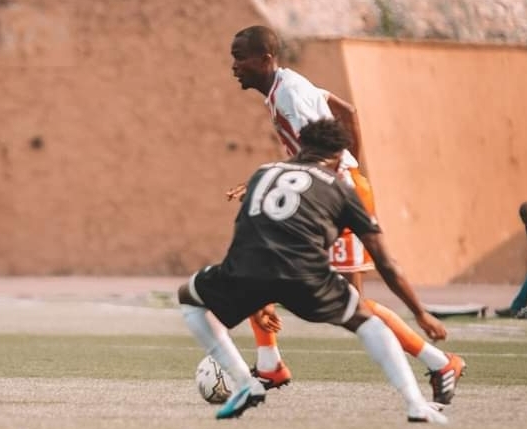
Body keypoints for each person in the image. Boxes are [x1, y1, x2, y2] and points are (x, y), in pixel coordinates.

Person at [227, 24, 465, 404]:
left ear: (265, 58)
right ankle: (269, 363)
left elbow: (323, 155)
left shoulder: (290, 96)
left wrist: (342, 178)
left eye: (240, 58)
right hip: (330, 188)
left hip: (333, 195)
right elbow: (346, 112)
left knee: (349, 302)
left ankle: (440, 362)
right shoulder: (287, 85)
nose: (234, 66)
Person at [179, 119, 448, 423]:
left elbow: (248, 231)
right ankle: (415, 404)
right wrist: (420, 313)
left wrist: (257, 297)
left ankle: (244, 384)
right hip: (307, 276)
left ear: (301, 148)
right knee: (369, 323)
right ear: (339, 156)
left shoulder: (263, 173)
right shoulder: (340, 188)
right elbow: (386, 262)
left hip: (247, 268)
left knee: (189, 297)